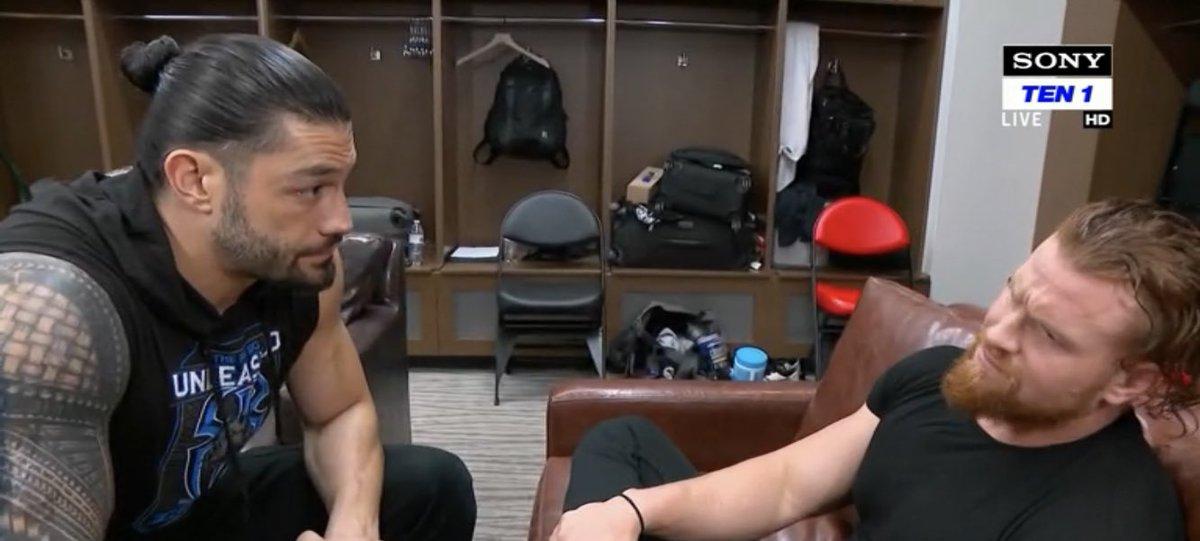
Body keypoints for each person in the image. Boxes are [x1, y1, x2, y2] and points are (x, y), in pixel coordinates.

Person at [0, 34, 475, 541]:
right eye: (310, 188)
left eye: (340, 185)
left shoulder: (298, 265)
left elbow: (340, 412)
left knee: (432, 486)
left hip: (200, 501)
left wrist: (353, 525)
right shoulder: (48, 308)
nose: (340, 220)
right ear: (195, 180)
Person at [553, 199, 1198, 541]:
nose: (997, 333)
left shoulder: (1107, 520)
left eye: (1048, 333)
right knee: (621, 440)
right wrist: (628, 513)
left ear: (1130, 381)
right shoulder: (942, 375)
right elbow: (786, 487)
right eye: (1014, 291)